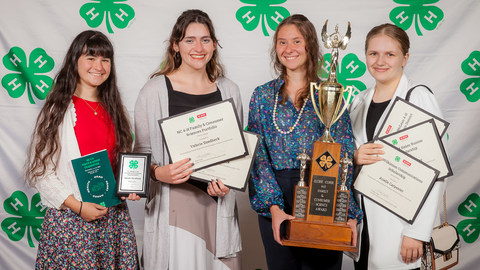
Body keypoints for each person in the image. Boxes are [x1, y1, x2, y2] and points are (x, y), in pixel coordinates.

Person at [247, 14, 362, 270]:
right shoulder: (263, 95)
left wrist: (347, 211)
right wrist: (274, 207)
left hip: (323, 193)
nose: (289, 49)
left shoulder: (329, 94)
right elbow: (258, 156)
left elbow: (343, 153)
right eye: (282, 42)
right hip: (275, 194)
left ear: (310, 45)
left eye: (297, 41)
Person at [133, 9, 242, 270]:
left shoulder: (229, 90)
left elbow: (236, 154)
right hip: (173, 208)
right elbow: (141, 153)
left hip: (216, 208)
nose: (198, 47)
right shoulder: (154, 91)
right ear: (176, 45)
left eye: (205, 40)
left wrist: (228, 182)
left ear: (214, 46)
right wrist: (159, 173)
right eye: (189, 40)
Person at [24, 30, 139, 269]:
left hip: (113, 222)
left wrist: (129, 187)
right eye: (91, 57)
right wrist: (78, 207)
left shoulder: (116, 111)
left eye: (105, 59)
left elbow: (117, 166)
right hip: (71, 222)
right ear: (74, 61)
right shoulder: (57, 110)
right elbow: (41, 173)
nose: (99, 65)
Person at [349, 23, 446, 270]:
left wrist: (417, 231)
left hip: (401, 227)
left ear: (405, 58)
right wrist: (354, 157)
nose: (380, 61)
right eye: (373, 53)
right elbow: (354, 158)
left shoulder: (418, 98)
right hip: (365, 226)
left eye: (390, 54)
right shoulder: (359, 101)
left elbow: (437, 172)